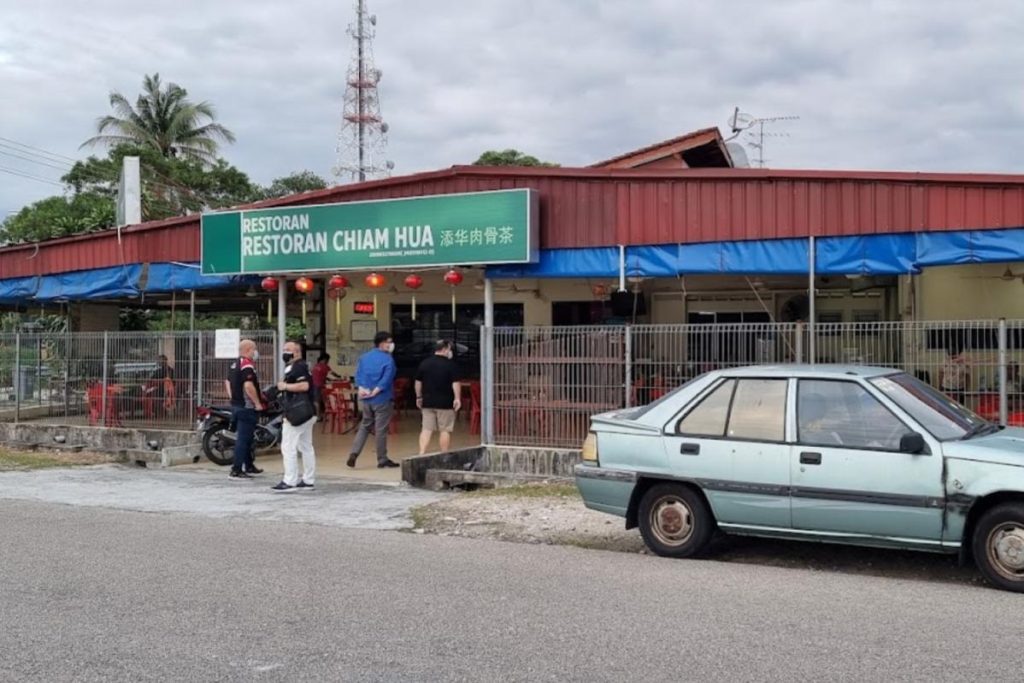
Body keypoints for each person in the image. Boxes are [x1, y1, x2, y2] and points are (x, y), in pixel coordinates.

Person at [347, 331, 399, 469]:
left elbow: (358, 375)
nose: (391, 344)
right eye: (389, 341)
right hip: (382, 398)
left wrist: (362, 389)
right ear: (382, 343)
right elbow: (387, 379)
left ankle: (354, 453)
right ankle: (382, 459)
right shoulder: (388, 359)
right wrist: (377, 390)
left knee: (364, 426)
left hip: (366, 400)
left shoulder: (364, 357)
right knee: (381, 430)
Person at [271, 341, 317, 493]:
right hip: (308, 412)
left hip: (297, 414)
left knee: (288, 447)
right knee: (306, 447)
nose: (285, 352)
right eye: (284, 349)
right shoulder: (300, 366)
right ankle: (308, 480)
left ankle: (290, 481)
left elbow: (304, 386)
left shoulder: (298, 367)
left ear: (297, 352)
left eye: (288, 350)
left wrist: (284, 386)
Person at [415, 339, 461, 455]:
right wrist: (457, 398)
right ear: (445, 349)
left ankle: (421, 452)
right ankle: (444, 454)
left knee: (426, 429)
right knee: (445, 429)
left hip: (428, 402)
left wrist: (419, 397)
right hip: (445, 403)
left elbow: (418, 382)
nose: (450, 352)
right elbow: (455, 383)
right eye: (449, 349)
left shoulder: (424, 363)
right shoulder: (451, 365)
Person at [227, 340, 265, 479]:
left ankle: (249, 465)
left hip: (237, 405)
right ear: (249, 350)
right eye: (254, 349)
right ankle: (236, 469)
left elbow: (227, 382)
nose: (255, 352)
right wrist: (257, 403)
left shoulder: (234, 364)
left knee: (248, 438)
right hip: (247, 407)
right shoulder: (247, 365)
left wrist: (233, 398)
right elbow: (249, 386)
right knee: (243, 439)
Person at [311, 353, 342, 418]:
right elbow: (332, 373)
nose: (328, 362)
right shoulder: (325, 366)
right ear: (325, 359)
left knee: (317, 401)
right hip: (320, 386)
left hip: (314, 385)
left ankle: (319, 416)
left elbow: (318, 375)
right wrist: (339, 377)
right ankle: (321, 416)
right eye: (328, 360)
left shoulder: (315, 366)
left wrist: (328, 379)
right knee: (322, 401)